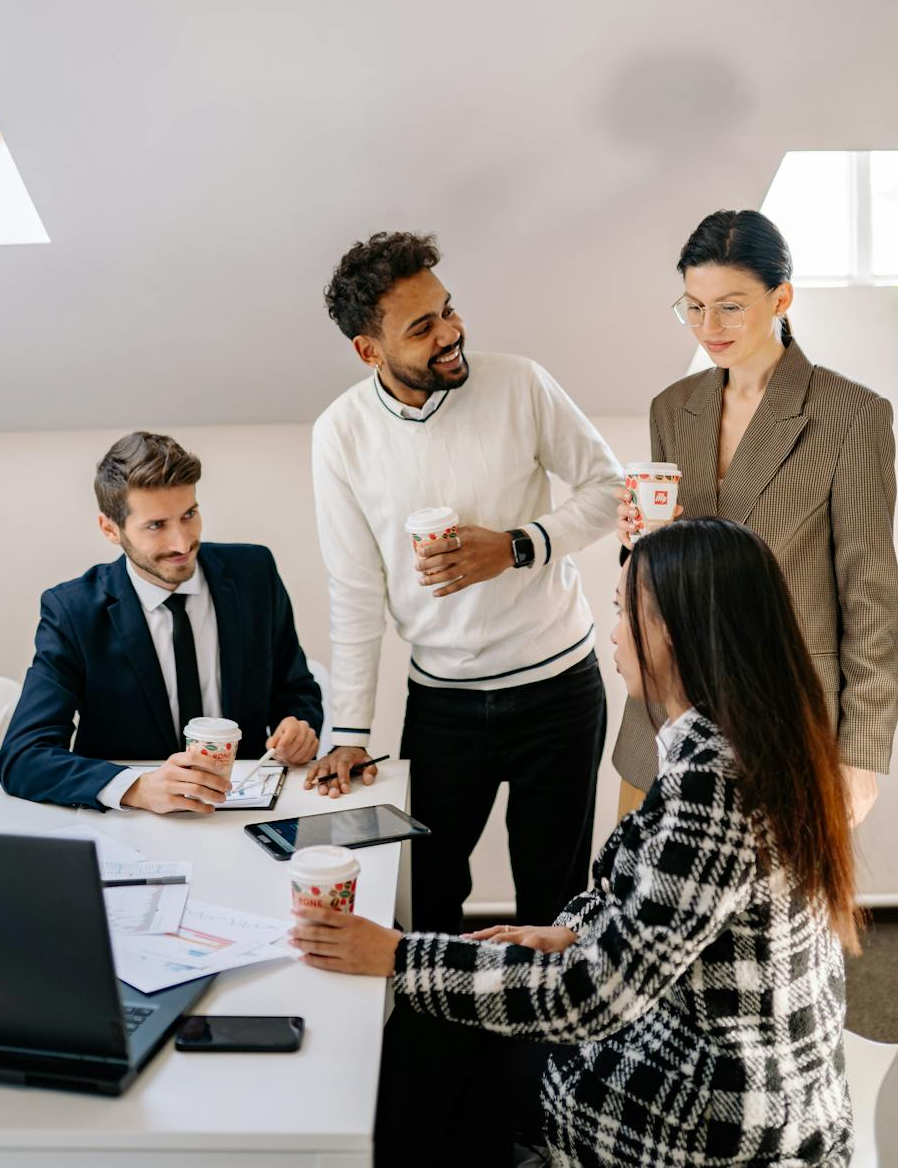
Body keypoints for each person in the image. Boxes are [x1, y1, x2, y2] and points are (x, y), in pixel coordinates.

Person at [291, 519, 859, 1168]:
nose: (612, 632)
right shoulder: (750, 739)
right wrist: (566, 933)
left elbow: (589, 999)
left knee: (438, 1057)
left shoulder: (715, 783)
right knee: (449, 1039)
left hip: (717, 1115)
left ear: (674, 631)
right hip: (752, 1075)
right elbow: (646, 896)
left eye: (623, 612)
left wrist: (398, 955)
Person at [309, 231, 621, 932]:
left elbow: (608, 489)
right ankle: (443, 1038)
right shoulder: (340, 435)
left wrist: (518, 546)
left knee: (556, 895)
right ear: (369, 351)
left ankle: (551, 1045)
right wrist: (349, 732)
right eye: (423, 328)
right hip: (444, 704)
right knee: (429, 890)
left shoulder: (521, 383)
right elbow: (354, 589)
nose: (451, 334)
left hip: (559, 690)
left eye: (448, 310)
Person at [614, 209, 898, 824]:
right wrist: (638, 543)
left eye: (730, 306)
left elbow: (871, 592)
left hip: (784, 716)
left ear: (782, 298)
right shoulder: (674, 407)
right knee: (634, 907)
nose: (707, 326)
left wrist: (860, 757)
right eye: (692, 306)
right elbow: (663, 570)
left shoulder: (853, 415)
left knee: (773, 916)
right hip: (667, 713)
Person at [0, 431, 322, 811]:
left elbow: (295, 688)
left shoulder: (255, 574)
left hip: (243, 810)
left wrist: (298, 725)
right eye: (156, 526)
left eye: (189, 515)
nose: (183, 543)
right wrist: (135, 787)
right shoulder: (73, 611)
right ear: (110, 529)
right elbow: (23, 756)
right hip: (129, 831)